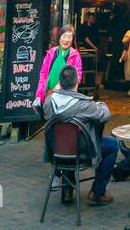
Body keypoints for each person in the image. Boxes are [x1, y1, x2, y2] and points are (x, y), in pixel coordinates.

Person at [42, 64, 117, 206]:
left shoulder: (49, 102)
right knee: (113, 145)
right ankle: (98, 192)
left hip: (57, 152)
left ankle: (67, 191)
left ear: (60, 83)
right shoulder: (85, 105)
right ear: (77, 82)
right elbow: (105, 115)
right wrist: (100, 104)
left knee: (66, 142)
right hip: (83, 152)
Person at [35, 25, 83, 107]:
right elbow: (43, 75)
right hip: (49, 94)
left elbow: (78, 77)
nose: (66, 40)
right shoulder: (51, 53)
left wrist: (62, 84)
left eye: (69, 37)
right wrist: (39, 95)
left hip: (66, 96)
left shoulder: (75, 55)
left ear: (73, 39)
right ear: (60, 36)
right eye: (64, 36)